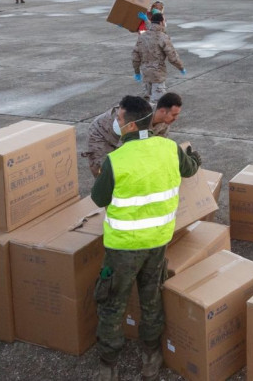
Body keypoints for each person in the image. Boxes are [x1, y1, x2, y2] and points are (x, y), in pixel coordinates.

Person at [91, 95, 202, 380]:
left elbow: (98, 198)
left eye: (118, 119)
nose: (116, 122)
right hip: (157, 243)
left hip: (123, 248)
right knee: (151, 300)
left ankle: (108, 364)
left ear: (129, 126)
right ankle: (151, 356)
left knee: (112, 304)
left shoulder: (114, 161)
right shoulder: (169, 149)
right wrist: (195, 158)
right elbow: (190, 168)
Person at [83, 93, 184, 178]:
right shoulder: (139, 118)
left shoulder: (165, 124)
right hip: (102, 134)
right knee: (105, 172)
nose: (176, 118)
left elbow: (156, 147)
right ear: (162, 111)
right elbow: (124, 150)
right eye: (174, 115)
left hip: (122, 136)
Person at [132, 13, 185, 104]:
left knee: (147, 99)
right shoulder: (163, 37)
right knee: (157, 103)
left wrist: (137, 72)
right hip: (157, 74)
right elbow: (172, 57)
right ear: (161, 22)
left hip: (145, 73)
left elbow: (135, 56)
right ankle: (153, 117)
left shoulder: (142, 36)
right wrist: (181, 67)